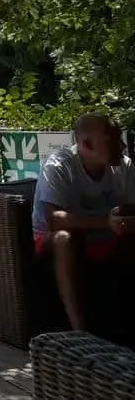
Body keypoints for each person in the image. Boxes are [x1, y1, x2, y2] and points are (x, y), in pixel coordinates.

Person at [32, 112, 135, 331]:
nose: (123, 145)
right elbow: (54, 220)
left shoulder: (125, 166)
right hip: (53, 241)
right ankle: (79, 329)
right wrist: (107, 223)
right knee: (64, 239)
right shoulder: (58, 165)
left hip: (107, 239)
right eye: (113, 140)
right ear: (86, 143)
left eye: (121, 137)